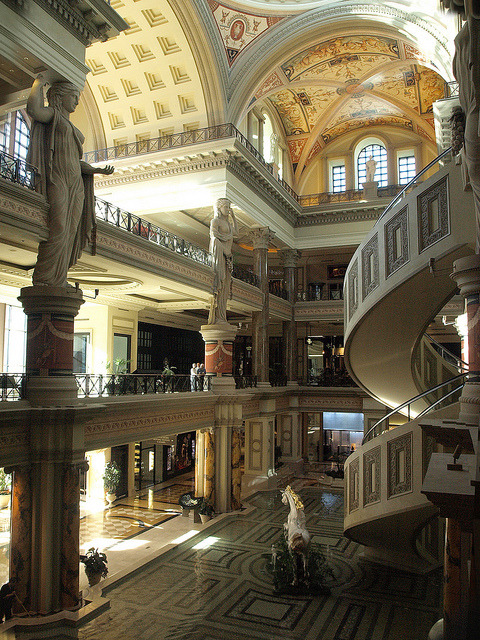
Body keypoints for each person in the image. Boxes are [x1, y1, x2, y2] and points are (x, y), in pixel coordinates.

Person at [26, 75, 114, 287]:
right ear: (60, 97)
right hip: (58, 178)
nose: (76, 101)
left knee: (70, 232)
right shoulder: (53, 115)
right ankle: (45, 278)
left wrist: (97, 170)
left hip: (76, 182)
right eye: (73, 96)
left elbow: (77, 161)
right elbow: (34, 111)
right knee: (58, 227)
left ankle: (60, 277)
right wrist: (38, 83)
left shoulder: (70, 126)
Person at [208, 198, 238, 324]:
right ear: (219, 208)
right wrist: (224, 249)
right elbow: (213, 236)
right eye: (226, 207)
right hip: (220, 255)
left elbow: (236, 233)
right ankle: (218, 317)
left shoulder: (229, 225)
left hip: (227, 257)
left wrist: (234, 217)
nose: (228, 209)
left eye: (229, 207)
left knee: (225, 287)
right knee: (221, 284)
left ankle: (222, 316)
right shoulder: (215, 221)